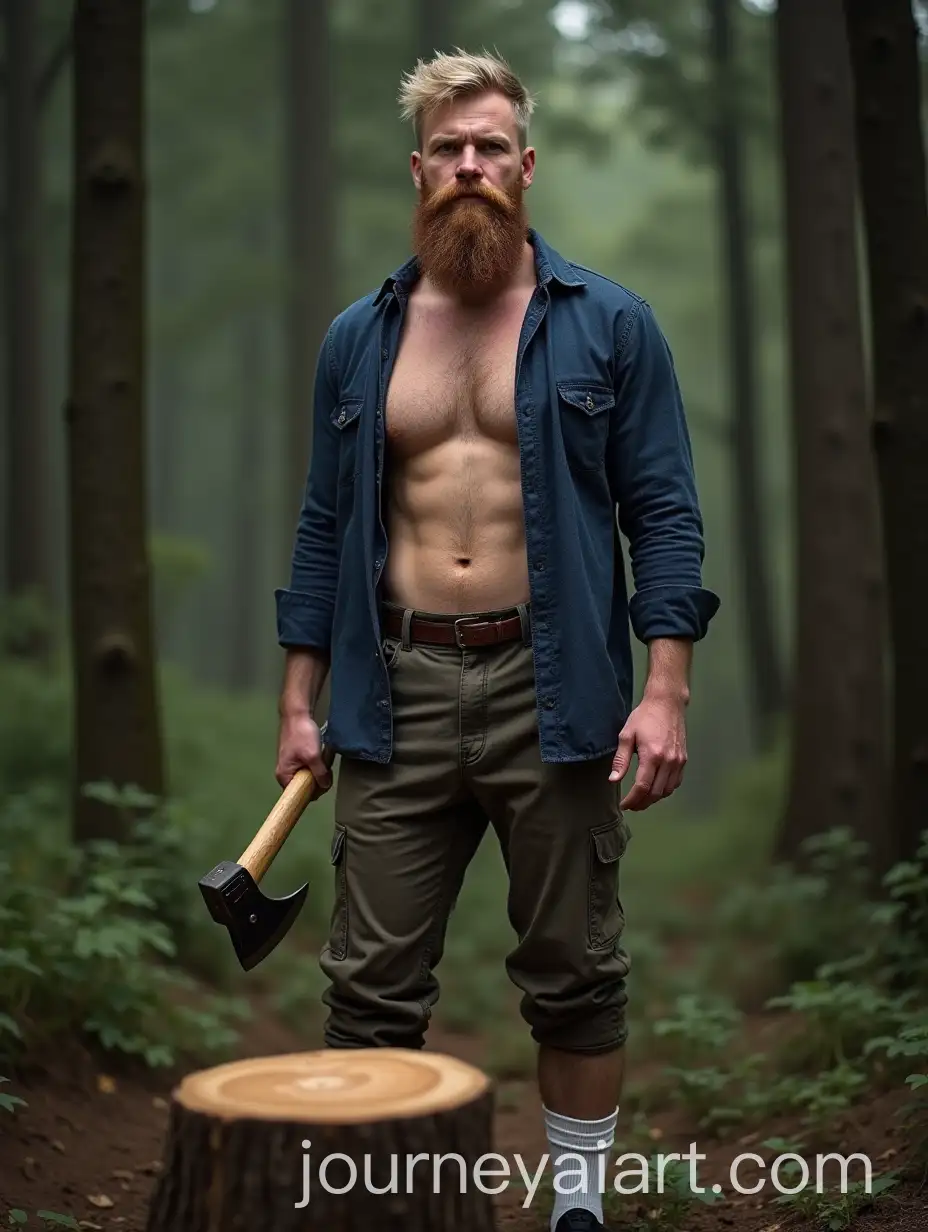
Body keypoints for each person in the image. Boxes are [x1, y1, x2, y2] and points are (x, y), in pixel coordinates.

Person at [274, 49, 719, 1232]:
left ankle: (576, 1206)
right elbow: (324, 526)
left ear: (526, 167)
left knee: (576, 974)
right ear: (417, 171)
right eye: (448, 150)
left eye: (490, 148)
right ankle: (379, 1209)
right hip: (391, 684)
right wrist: (297, 698)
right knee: (368, 986)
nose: (469, 167)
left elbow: (663, 513)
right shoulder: (356, 342)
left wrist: (664, 686)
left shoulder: (613, 325)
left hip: (554, 680)